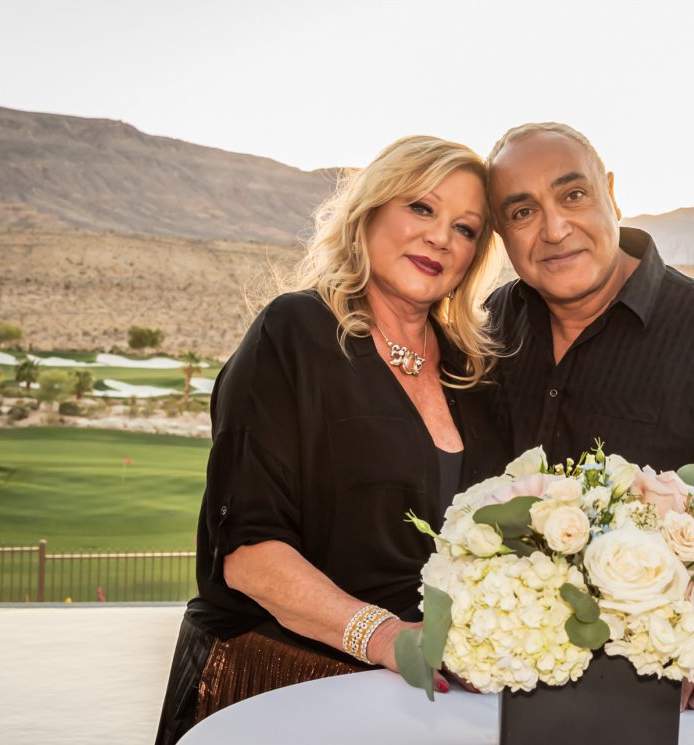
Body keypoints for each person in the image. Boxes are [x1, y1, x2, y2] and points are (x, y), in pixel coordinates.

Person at [155, 135, 510, 743]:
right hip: (277, 683)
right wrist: (384, 636)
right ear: (369, 212)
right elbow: (250, 555)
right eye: (421, 207)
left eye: (466, 228)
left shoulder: (472, 373)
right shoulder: (295, 332)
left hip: (423, 702)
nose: (440, 238)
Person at [484, 122, 694, 712]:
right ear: (500, 232)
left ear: (611, 194)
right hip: (494, 679)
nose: (554, 229)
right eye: (522, 212)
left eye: (573, 195)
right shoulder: (489, 327)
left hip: (651, 695)